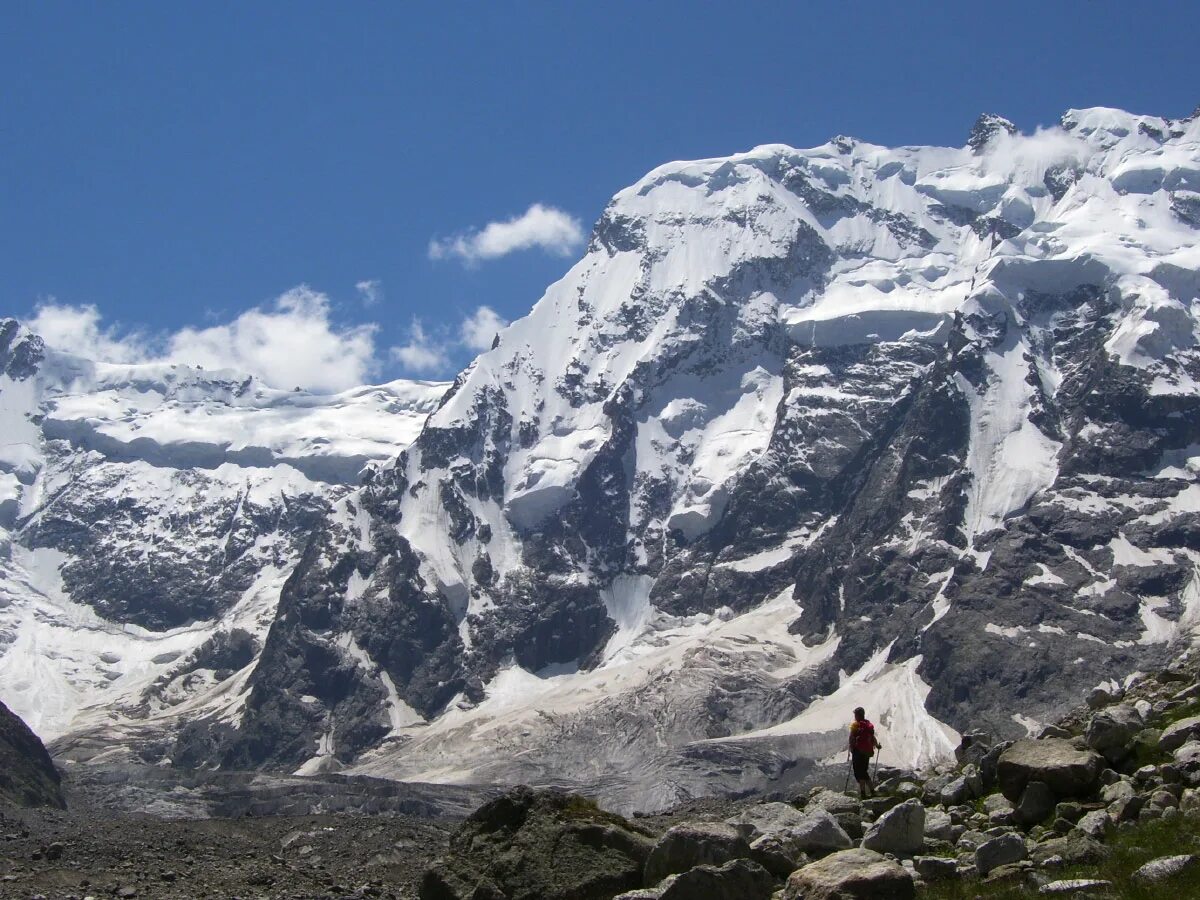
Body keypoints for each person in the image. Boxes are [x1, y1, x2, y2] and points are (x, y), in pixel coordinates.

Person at [848, 706, 882, 798]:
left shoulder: (856, 725)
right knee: (864, 771)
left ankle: (865, 793)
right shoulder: (868, 725)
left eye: (855, 714)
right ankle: (871, 791)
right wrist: (877, 745)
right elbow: (872, 737)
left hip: (858, 751)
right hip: (867, 752)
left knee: (859, 772)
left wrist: (851, 748)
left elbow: (851, 737)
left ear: (857, 715)